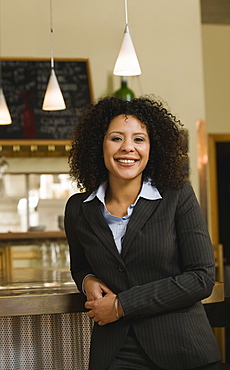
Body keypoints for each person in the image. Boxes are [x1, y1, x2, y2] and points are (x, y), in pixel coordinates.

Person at [64, 95, 221, 370]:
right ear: (98, 145)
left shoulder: (177, 196)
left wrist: (122, 305)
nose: (128, 148)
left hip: (183, 349)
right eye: (116, 138)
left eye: (139, 139)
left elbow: (201, 277)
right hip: (115, 352)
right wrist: (87, 280)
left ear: (152, 148)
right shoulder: (78, 208)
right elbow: (80, 267)